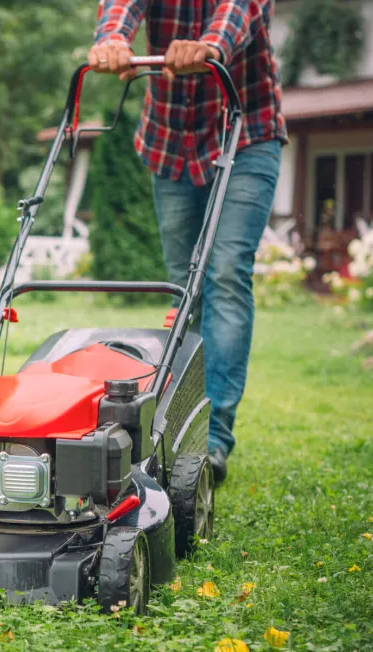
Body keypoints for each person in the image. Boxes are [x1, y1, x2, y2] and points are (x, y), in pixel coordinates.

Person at [88, 0, 287, 484]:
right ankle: (183, 427)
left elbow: (241, 8)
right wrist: (113, 38)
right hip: (171, 141)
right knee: (185, 289)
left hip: (246, 133)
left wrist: (209, 47)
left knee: (226, 273)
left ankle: (215, 437)